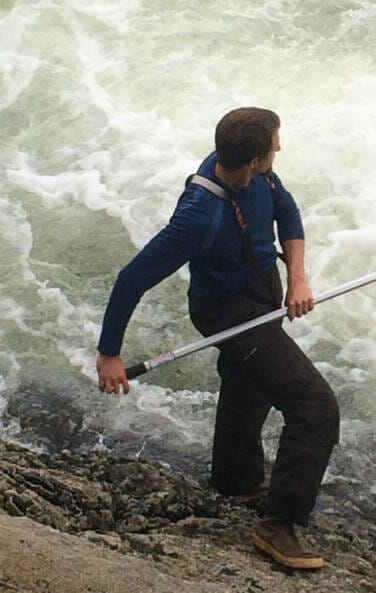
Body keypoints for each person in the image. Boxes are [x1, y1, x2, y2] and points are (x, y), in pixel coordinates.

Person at [95, 107, 340, 570]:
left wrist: (298, 280)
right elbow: (132, 279)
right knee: (315, 406)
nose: (279, 149)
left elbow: (287, 214)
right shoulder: (198, 215)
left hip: (263, 292)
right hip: (227, 312)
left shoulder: (257, 174)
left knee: (248, 381)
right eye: (274, 145)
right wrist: (109, 353)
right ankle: (278, 526)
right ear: (252, 160)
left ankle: (236, 478)